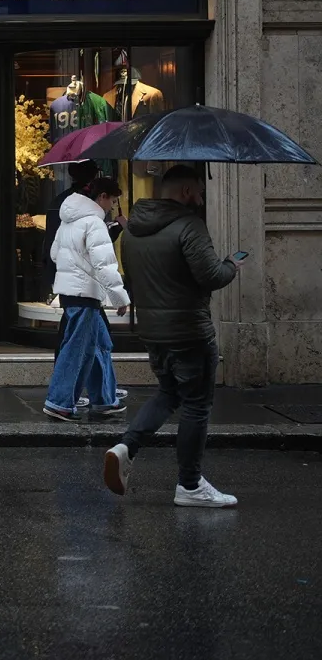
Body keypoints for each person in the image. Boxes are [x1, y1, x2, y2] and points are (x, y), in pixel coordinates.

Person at [103, 165, 241, 508]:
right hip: (190, 330)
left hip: (153, 330)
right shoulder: (189, 225)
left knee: (168, 393)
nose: (201, 196)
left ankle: (126, 447)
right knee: (196, 405)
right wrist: (231, 266)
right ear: (184, 192)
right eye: (198, 190)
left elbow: (135, 276)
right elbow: (209, 275)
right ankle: (190, 485)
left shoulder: (132, 230)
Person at [43, 176, 130, 422]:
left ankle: (104, 398)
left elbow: (54, 253)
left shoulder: (68, 220)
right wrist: (119, 297)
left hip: (72, 293)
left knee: (98, 345)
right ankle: (59, 402)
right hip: (86, 294)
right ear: (102, 197)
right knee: (77, 350)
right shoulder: (94, 223)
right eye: (112, 201)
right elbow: (105, 265)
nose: (111, 206)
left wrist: (75, 268)